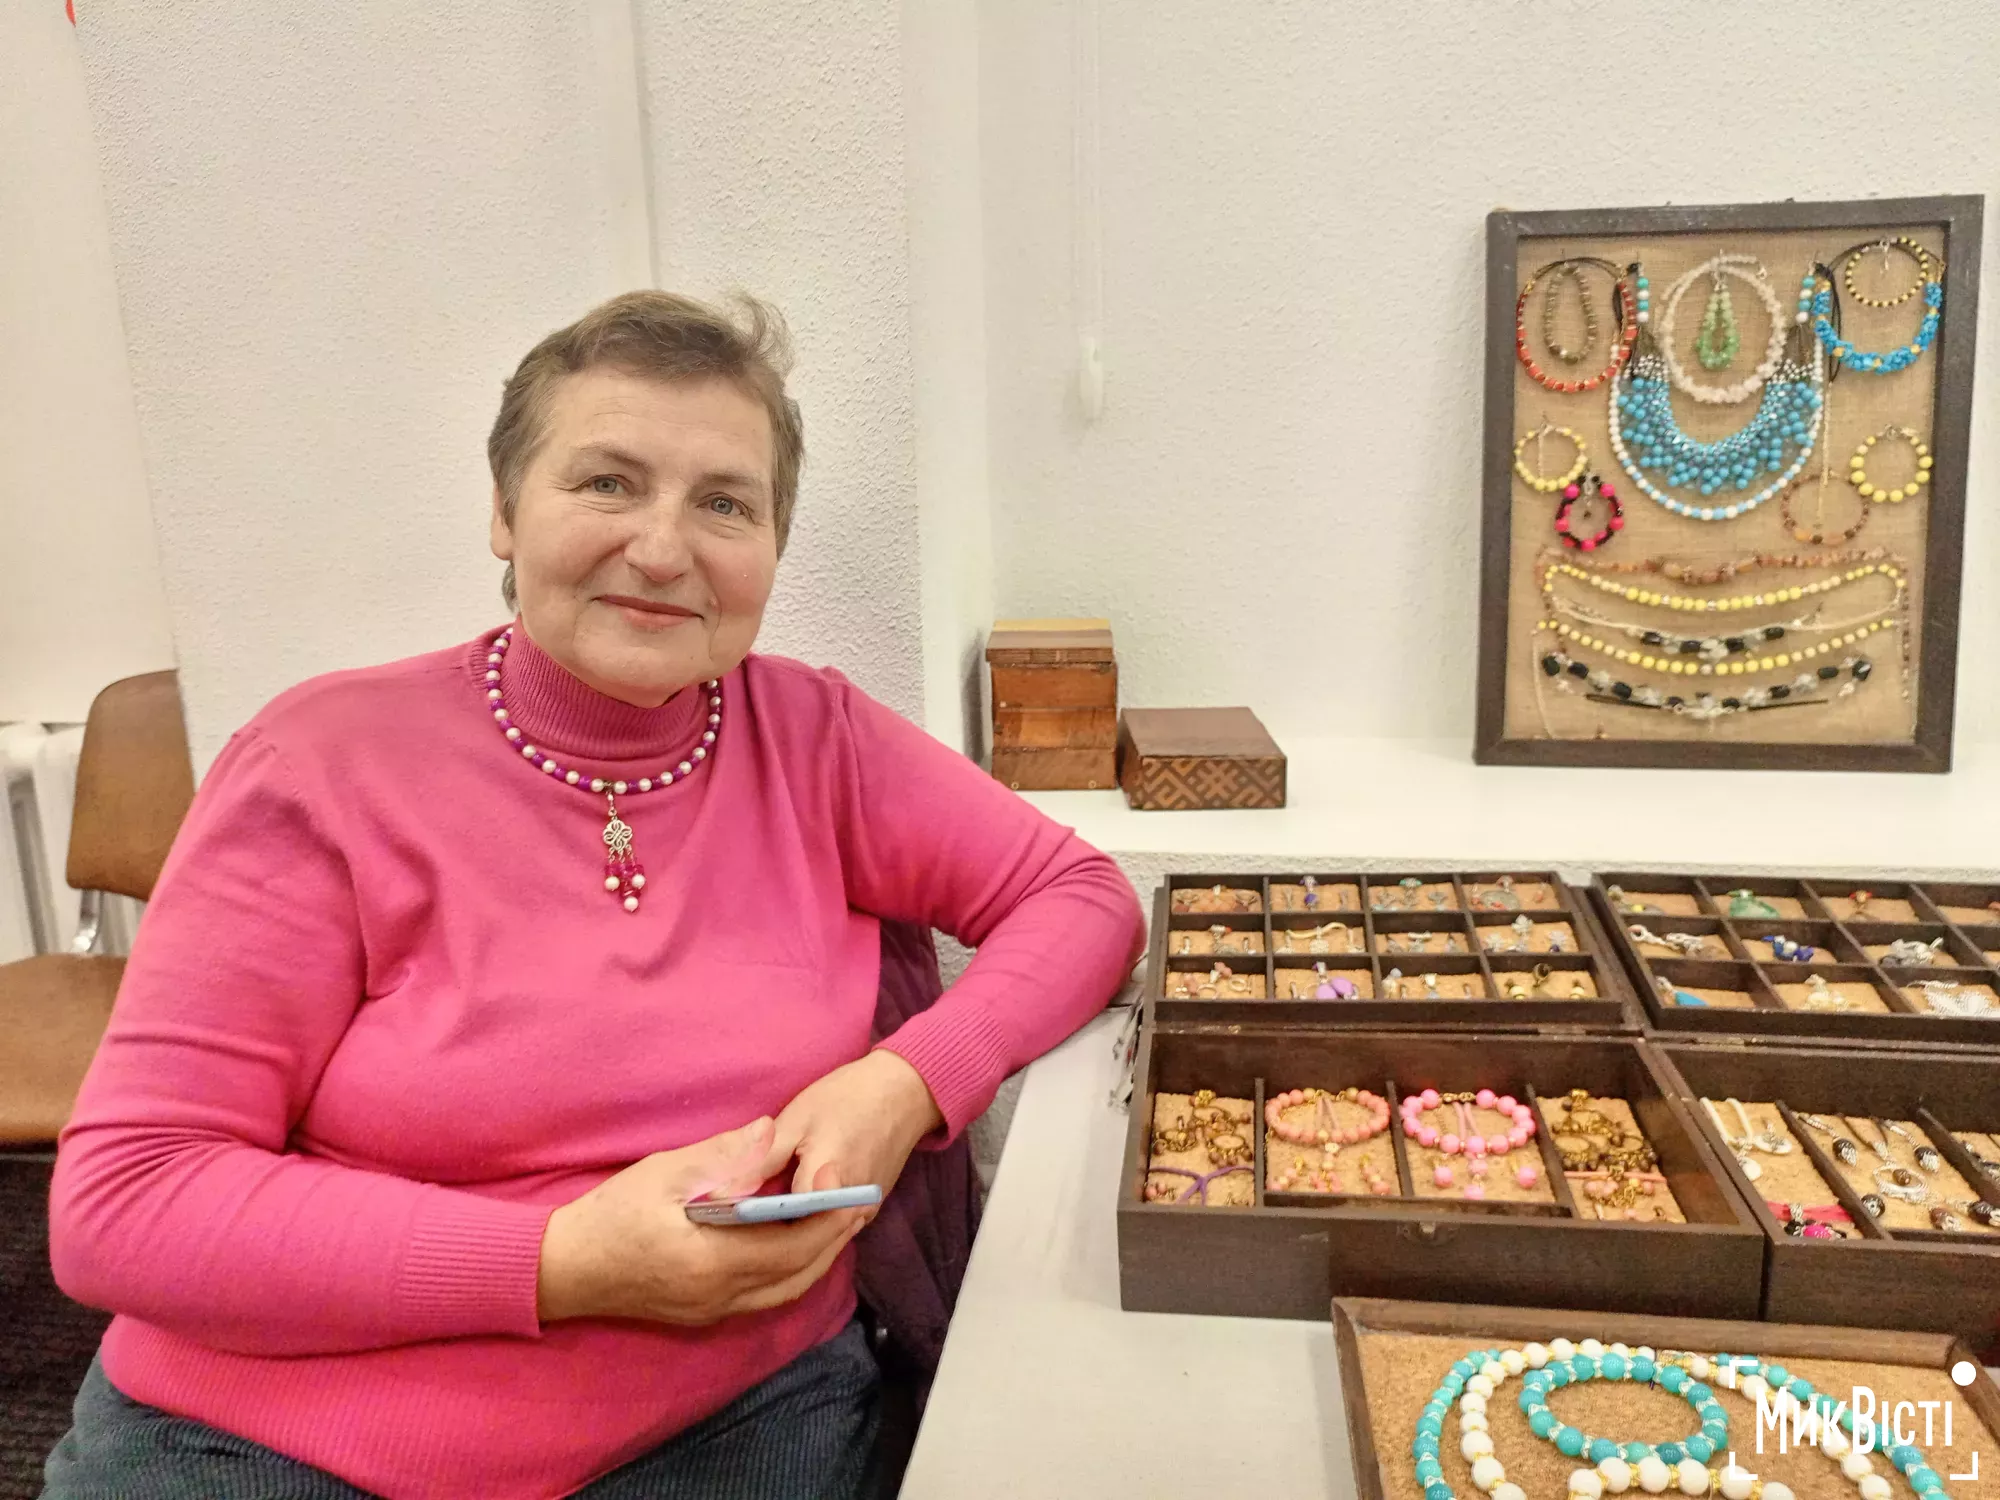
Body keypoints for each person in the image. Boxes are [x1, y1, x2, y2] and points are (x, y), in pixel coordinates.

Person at [41, 290, 1144, 1499]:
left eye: (724, 504)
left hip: (731, 1410)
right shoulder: (319, 765)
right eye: (607, 483)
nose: (664, 551)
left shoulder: (814, 738)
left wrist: (904, 1081)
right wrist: (561, 1260)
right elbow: (128, 1203)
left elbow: (1081, 898)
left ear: (772, 547)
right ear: (505, 511)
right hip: (268, 1439)